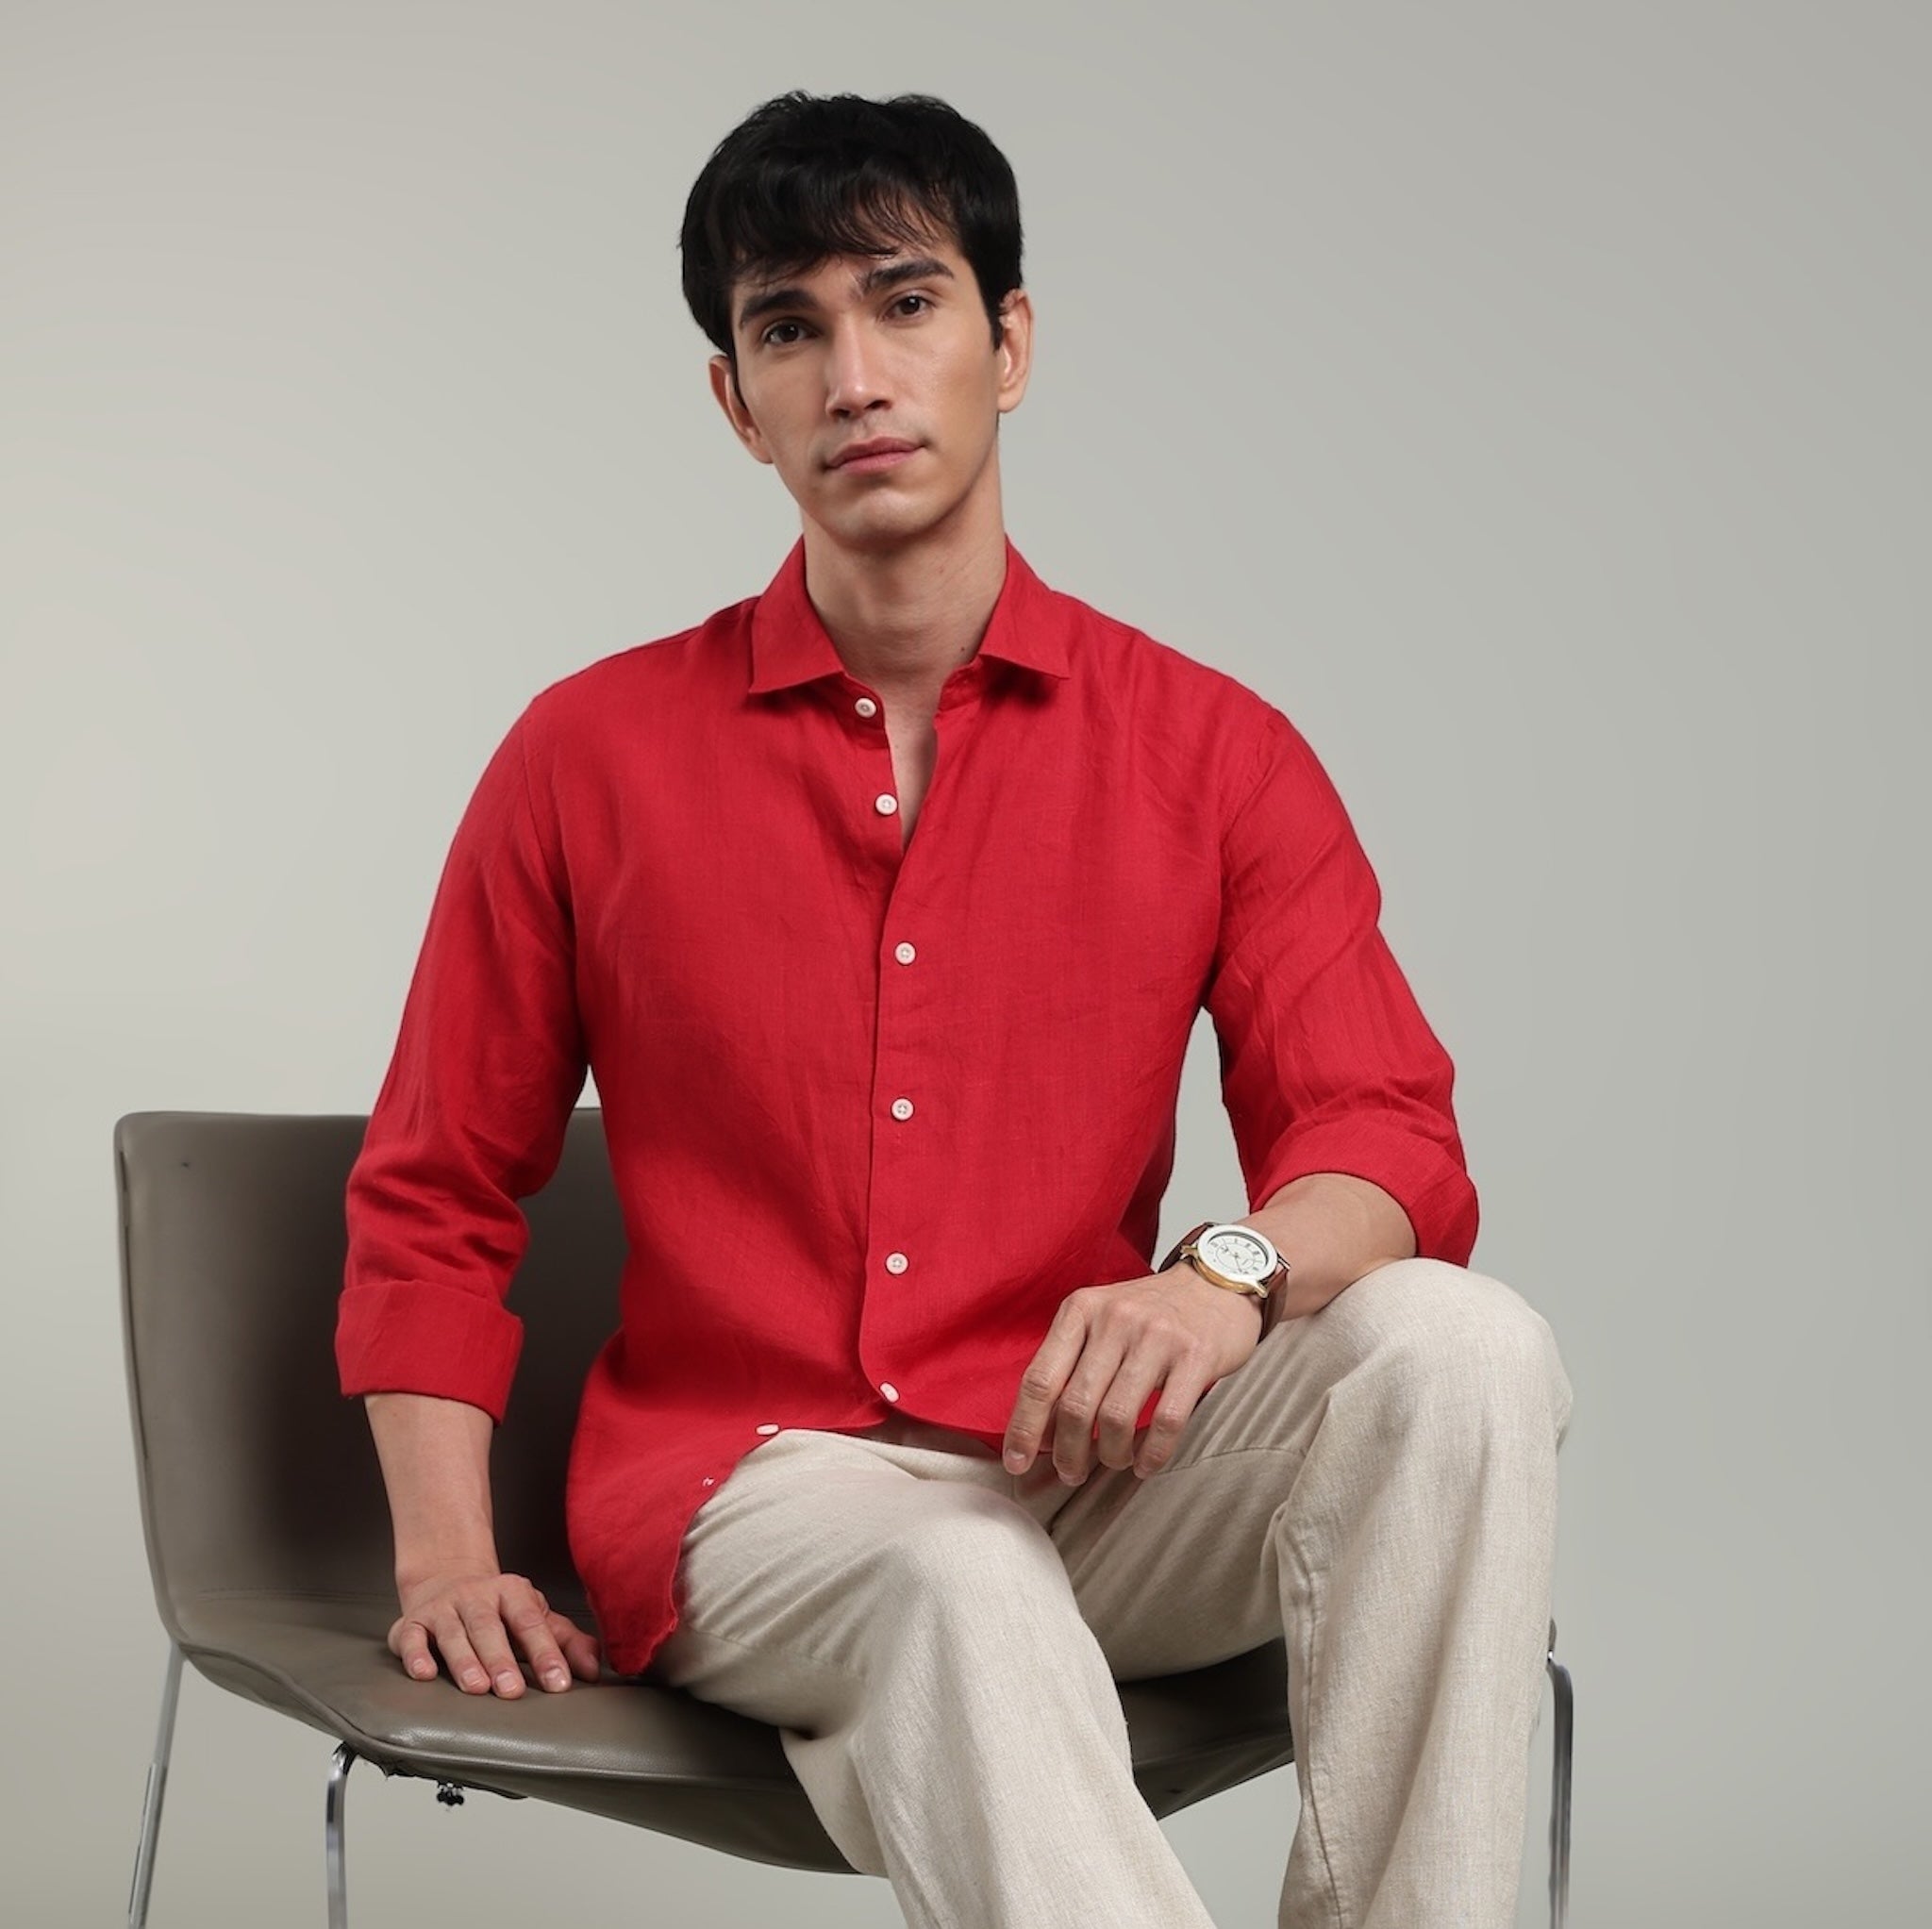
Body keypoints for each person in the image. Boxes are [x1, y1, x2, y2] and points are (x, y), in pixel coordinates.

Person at [336, 89, 1574, 1929]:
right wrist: (443, 1554)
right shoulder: (586, 758)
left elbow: (1383, 1141)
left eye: (904, 304)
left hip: (1089, 1481)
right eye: (787, 325)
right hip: (747, 1492)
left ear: (1007, 344)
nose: (852, 372)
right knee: (953, 1585)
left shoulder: (1210, 755)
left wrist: (1212, 1280)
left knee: (1464, 1349)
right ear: (732, 399)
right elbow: (435, 1190)